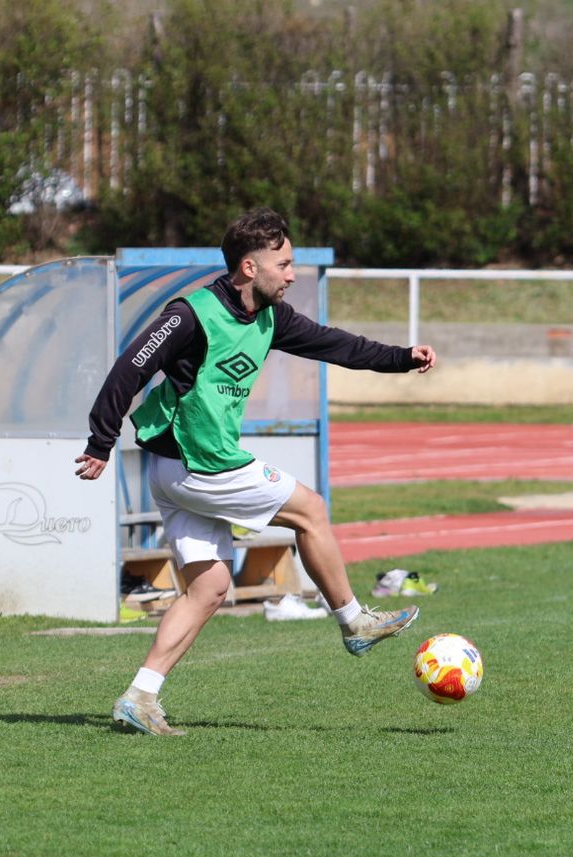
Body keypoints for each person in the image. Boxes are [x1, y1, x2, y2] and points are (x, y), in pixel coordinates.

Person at [75, 207, 437, 736]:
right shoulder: (190, 314)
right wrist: (101, 441)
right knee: (311, 509)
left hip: (177, 473)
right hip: (202, 465)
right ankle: (355, 620)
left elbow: (337, 345)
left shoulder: (272, 316)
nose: (291, 274)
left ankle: (139, 697)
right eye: (284, 264)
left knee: (209, 589)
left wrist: (402, 357)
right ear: (249, 267)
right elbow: (131, 366)